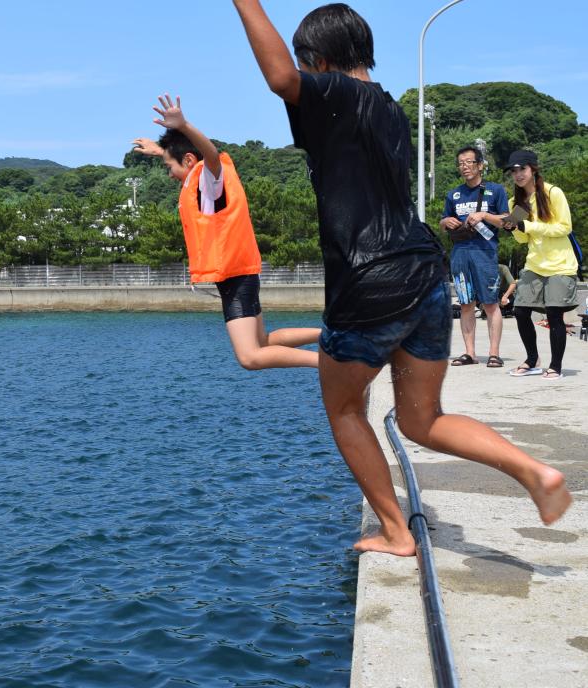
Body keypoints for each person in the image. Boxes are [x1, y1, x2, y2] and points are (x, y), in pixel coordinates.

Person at [232, 0, 571, 556]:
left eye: (307, 64)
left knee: (344, 410)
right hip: (424, 274)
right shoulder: (389, 108)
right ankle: (533, 471)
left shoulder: (337, 94)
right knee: (422, 419)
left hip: (369, 281)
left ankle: (395, 531)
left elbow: (279, 79)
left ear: (319, 59)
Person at [132, 94, 320, 370]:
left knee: (250, 357)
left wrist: (184, 126)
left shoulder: (208, 180)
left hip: (235, 277)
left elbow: (209, 155)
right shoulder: (197, 177)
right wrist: (161, 151)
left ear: (186, 160)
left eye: (168, 167)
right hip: (239, 273)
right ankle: (333, 337)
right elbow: (190, 158)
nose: (169, 174)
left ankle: (332, 365)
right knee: (263, 342)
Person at [502, 150, 581, 379]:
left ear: (533, 169)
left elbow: (564, 227)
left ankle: (555, 365)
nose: (518, 174)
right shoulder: (514, 202)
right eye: (514, 171)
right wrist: (514, 228)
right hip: (535, 264)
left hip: (560, 265)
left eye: (522, 169)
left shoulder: (552, 193)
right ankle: (532, 359)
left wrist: (529, 226)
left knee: (555, 314)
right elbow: (523, 239)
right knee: (520, 310)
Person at [439, 147, 510, 368]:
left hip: (485, 253)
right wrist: (445, 222)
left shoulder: (495, 190)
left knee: (490, 304)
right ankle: (469, 353)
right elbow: (443, 221)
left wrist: (485, 215)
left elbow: (507, 220)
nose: (465, 166)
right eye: (461, 163)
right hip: (460, 253)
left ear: (480, 165)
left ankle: (494, 354)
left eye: (469, 162)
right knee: (466, 304)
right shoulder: (454, 194)